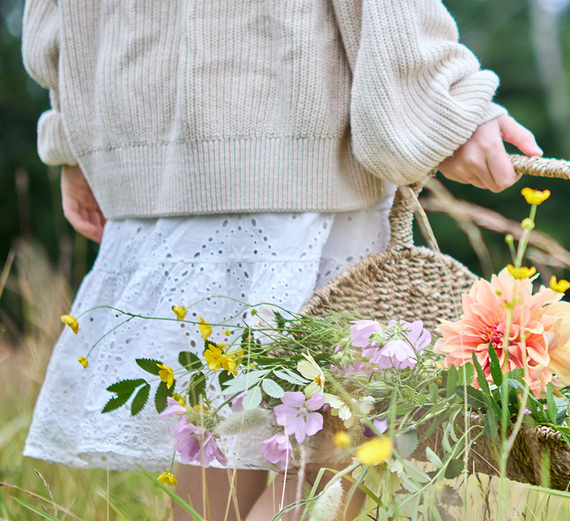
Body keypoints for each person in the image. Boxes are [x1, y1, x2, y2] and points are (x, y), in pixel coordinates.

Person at [19, 0, 541, 518]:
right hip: (294, 130)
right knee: (362, 446)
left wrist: (73, 130)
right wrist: (443, 103)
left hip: (140, 134)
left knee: (222, 444)